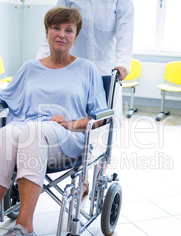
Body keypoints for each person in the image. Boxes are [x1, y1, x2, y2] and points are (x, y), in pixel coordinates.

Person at [0, 6, 107, 236]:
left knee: (32, 131)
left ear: (76, 36)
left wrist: (70, 123)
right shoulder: (30, 67)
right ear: (46, 32)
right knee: (4, 133)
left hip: (66, 139)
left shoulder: (87, 69)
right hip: (26, 134)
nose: (62, 34)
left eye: (69, 30)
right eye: (56, 28)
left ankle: (25, 228)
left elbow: (98, 118)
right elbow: (4, 97)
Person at [37, 0, 134, 197]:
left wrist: (122, 63)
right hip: (73, 68)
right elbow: (55, 24)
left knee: (101, 127)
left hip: (106, 69)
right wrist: (40, 62)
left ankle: (99, 177)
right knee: (76, 125)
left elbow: (126, 29)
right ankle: (83, 180)